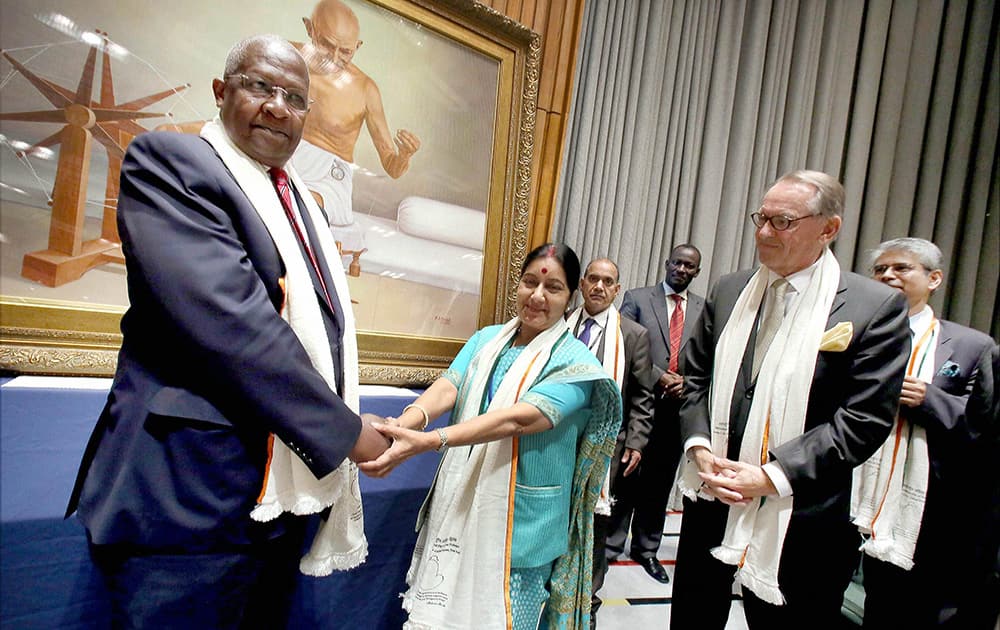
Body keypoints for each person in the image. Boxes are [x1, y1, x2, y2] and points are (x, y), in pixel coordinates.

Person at [64, 35, 390, 628]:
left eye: (295, 97)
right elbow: (233, 328)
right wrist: (347, 434)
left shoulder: (299, 204)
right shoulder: (172, 163)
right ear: (221, 92)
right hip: (187, 498)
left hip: (273, 503)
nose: (278, 106)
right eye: (261, 86)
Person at [670, 170, 910, 629]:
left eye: (782, 222)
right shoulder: (730, 288)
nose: (763, 232)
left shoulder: (872, 307)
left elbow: (863, 420)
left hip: (802, 512)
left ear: (828, 229)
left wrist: (770, 475)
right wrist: (699, 448)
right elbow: (696, 377)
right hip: (714, 489)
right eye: (761, 218)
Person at [359, 243, 623, 630]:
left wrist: (432, 441)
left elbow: (519, 420)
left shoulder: (577, 364)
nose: (536, 295)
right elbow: (450, 385)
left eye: (552, 289)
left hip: (523, 529)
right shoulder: (486, 340)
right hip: (463, 509)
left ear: (571, 297)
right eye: (529, 282)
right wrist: (407, 421)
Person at [855, 237, 998, 628]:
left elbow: (983, 427)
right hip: (856, 489)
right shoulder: (852, 336)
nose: (888, 275)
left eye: (901, 268)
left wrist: (928, 399)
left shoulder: (971, 345)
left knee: (920, 605)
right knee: (876, 605)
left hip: (931, 500)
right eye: (880, 269)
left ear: (934, 279)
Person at [566, 258, 655, 625]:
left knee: (597, 524)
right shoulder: (562, 324)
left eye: (608, 281)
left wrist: (635, 442)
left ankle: (589, 599)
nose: (599, 287)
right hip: (560, 438)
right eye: (593, 279)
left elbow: (643, 397)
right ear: (582, 284)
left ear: (617, 290)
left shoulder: (633, 335)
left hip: (608, 445)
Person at [608, 244, 704, 583]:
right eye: (677, 262)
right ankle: (609, 546)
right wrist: (657, 375)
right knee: (626, 476)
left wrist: (687, 383)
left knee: (659, 484)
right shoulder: (637, 298)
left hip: (676, 412)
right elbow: (623, 345)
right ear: (666, 264)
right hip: (638, 406)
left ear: (696, 272)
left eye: (689, 265)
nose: (681, 268)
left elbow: (708, 359)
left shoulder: (704, 309)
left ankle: (646, 550)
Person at [292, 0, 421, 227]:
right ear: (309, 29)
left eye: (345, 51)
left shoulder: (366, 90)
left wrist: (404, 155)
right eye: (326, 44)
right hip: (279, 158)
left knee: (300, 205)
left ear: (357, 47)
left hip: (327, 181)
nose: (333, 58)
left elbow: (392, 167)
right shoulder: (284, 56)